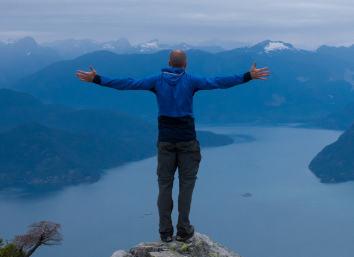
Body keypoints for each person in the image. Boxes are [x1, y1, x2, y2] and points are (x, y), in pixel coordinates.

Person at [76, 49, 270, 243]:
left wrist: (97, 79)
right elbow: (218, 82)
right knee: (186, 186)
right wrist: (248, 76)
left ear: (169, 63)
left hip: (166, 142)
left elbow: (128, 84)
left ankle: (165, 233)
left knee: (164, 185)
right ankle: (184, 230)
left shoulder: (156, 80)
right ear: (185, 65)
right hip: (188, 141)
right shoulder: (191, 81)